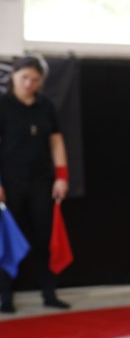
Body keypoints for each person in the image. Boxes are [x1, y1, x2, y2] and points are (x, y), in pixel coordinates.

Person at [0, 55, 70, 312]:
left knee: (45, 238)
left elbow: (56, 141)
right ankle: (5, 296)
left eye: (35, 79)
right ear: (14, 77)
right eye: (24, 78)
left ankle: (49, 293)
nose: (29, 84)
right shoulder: (3, 104)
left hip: (42, 182)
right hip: (10, 183)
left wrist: (62, 176)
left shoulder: (46, 106)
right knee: (7, 240)